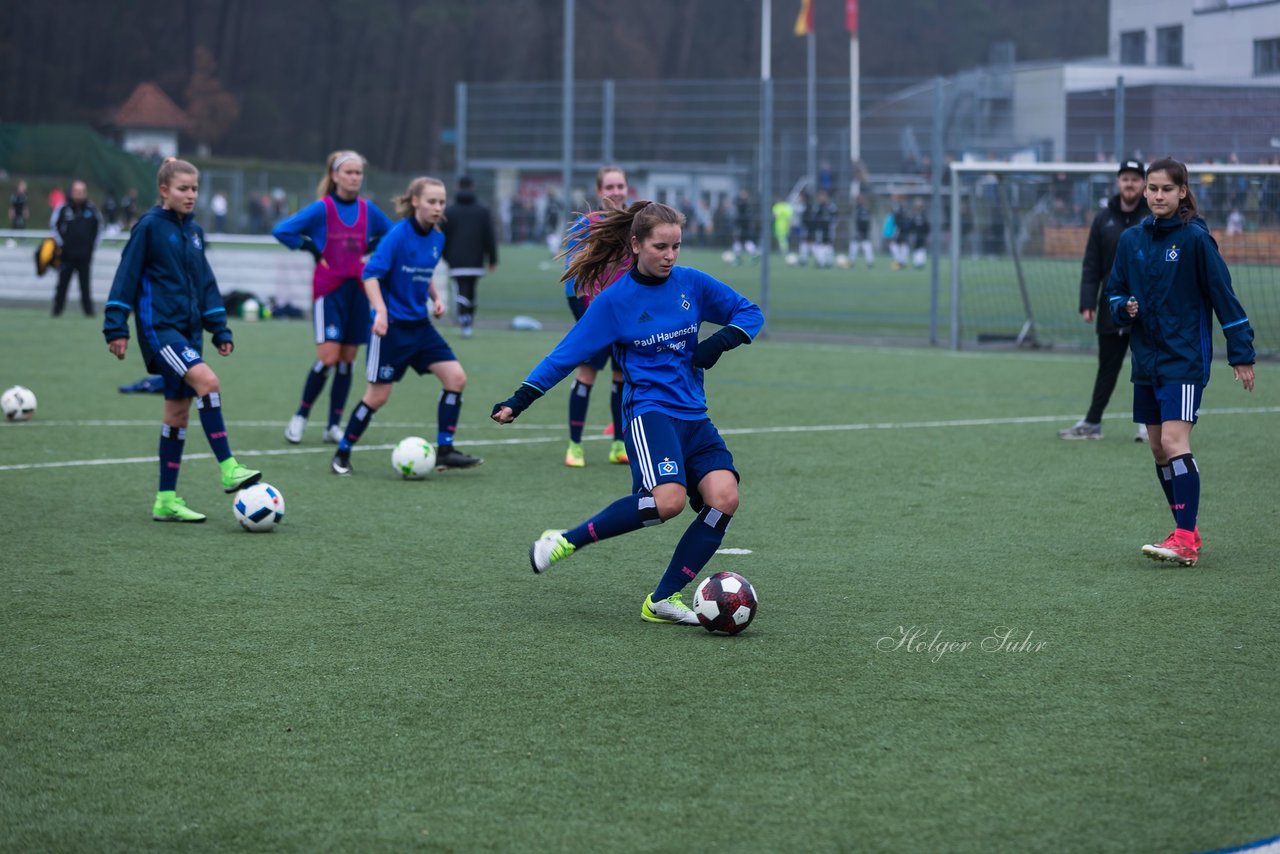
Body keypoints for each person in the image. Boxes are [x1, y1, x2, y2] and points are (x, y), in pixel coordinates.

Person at [491, 201, 764, 625]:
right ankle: (564, 542)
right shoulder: (615, 302)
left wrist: (719, 341)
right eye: (660, 247)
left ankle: (663, 599)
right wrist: (519, 399)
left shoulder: (690, 283)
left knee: (724, 499)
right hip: (649, 412)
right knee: (668, 502)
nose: (670, 256)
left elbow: (750, 312)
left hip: (695, 415)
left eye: (676, 246)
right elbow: (565, 356)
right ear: (635, 245)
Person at [1105, 156, 1256, 567]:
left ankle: (1185, 538)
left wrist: (1241, 351)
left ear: (1183, 191)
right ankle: (1185, 527)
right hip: (1147, 360)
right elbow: (1114, 292)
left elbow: (1224, 296)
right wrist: (1124, 308)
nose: (1157, 195)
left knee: (1174, 442)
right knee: (1157, 449)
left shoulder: (1195, 240)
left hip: (1184, 359)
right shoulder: (1132, 240)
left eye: (1166, 189)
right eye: (1152, 188)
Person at [102, 158, 262, 523]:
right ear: (164, 190)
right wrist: (116, 327)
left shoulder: (194, 232)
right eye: (183, 189)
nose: (191, 196)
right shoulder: (148, 227)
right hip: (160, 330)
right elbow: (126, 276)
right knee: (208, 381)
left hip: (188, 331)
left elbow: (205, 282)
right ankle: (228, 467)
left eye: (194, 189)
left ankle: (166, 499)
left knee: (177, 414)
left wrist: (219, 327)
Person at [330, 177, 483, 476]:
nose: (438, 207)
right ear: (415, 202)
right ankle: (342, 453)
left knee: (456, 378)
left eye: (441, 202)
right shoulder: (397, 235)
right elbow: (371, 275)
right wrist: (381, 312)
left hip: (421, 327)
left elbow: (423, 274)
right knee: (377, 397)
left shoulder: (438, 237)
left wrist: (436, 297)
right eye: (431, 201)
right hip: (391, 330)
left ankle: (446, 451)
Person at [273, 150, 393, 445]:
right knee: (328, 357)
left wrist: (374, 247)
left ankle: (333, 425)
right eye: (349, 172)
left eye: (358, 173)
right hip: (329, 290)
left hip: (359, 290)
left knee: (348, 359)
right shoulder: (322, 209)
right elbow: (282, 230)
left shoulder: (369, 210)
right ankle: (300, 416)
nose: (354, 177)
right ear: (335, 176)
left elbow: (393, 235)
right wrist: (313, 249)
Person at [1059, 160, 1151, 442]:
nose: (1130, 183)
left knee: (1147, 367)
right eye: (1125, 178)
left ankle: (1148, 426)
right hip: (1111, 306)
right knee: (1107, 367)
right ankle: (1093, 423)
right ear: (1118, 182)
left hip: (1146, 309)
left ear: (1143, 184)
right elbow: (1091, 263)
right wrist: (1087, 301)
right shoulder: (1103, 219)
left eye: (1135, 179)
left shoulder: (1152, 217)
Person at [559, 166, 632, 468]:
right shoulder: (587, 225)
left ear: (627, 189)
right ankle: (575, 446)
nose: (616, 191)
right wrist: (585, 316)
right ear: (600, 191)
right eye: (610, 186)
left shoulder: (636, 224)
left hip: (628, 320)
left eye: (620, 186)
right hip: (594, 317)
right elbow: (571, 277)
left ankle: (619, 444)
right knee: (586, 376)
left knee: (621, 378)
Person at [441, 175, 498, 339]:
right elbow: (489, 236)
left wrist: (444, 255)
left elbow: (443, 235)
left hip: (455, 259)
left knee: (460, 288)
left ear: (458, 187)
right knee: (471, 290)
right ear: (472, 187)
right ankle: (468, 320)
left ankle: (464, 320)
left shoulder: (450, 211)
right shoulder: (483, 210)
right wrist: (492, 259)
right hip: (476, 259)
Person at [50, 180, 103, 316]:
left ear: (85, 193)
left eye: (82, 192)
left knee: (85, 286)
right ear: (72, 192)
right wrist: (62, 245)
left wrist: (91, 247)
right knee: (62, 285)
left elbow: (99, 229)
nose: (79, 195)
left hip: (85, 256)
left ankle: (88, 312)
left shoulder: (92, 210)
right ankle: (57, 310)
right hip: (66, 256)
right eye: (76, 191)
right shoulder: (63, 208)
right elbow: (54, 227)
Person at [849, 193, 875, 268]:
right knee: (853, 246)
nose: (860, 201)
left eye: (861, 199)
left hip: (865, 233)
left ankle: (870, 263)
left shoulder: (866, 210)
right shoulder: (856, 210)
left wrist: (866, 231)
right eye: (859, 199)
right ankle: (851, 262)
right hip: (858, 232)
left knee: (867, 248)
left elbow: (868, 223)